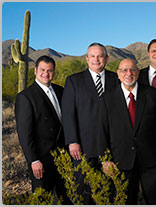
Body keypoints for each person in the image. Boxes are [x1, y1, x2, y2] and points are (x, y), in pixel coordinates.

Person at [97, 59, 156, 204]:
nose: (128, 73)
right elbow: (102, 130)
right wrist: (105, 158)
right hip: (121, 161)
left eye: (132, 70)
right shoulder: (107, 99)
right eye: (124, 70)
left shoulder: (152, 94)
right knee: (125, 201)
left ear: (138, 73)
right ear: (118, 74)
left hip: (152, 159)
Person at [61, 43, 118, 204]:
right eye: (92, 56)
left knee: (108, 191)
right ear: (86, 59)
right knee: (84, 190)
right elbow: (68, 114)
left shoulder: (116, 79)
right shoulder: (74, 81)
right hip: (83, 147)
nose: (96, 59)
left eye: (100, 56)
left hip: (110, 146)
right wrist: (72, 141)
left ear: (106, 58)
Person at [15, 55, 71, 204]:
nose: (46, 73)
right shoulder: (26, 97)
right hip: (42, 160)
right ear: (35, 71)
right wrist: (33, 160)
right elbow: (24, 133)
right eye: (43, 70)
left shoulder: (61, 91)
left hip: (63, 156)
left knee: (68, 197)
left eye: (50, 70)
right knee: (43, 200)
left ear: (54, 72)